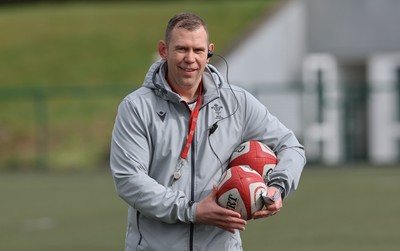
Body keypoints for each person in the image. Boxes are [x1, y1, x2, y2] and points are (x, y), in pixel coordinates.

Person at [110, 12, 306, 251]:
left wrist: (278, 188)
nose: (190, 59)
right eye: (181, 49)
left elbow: (290, 145)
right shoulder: (136, 107)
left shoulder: (236, 102)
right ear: (164, 50)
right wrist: (191, 211)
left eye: (198, 50)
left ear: (209, 52)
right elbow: (129, 180)